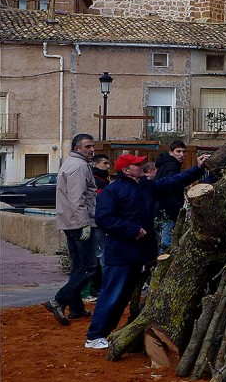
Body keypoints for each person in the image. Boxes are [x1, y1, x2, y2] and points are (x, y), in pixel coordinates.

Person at [84, 150, 209, 350]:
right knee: (112, 294)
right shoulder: (113, 190)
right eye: (137, 165)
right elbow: (104, 219)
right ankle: (95, 335)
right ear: (126, 170)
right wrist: (132, 230)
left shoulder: (145, 186)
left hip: (140, 252)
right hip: (121, 253)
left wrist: (198, 169)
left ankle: (104, 333)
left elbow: (173, 182)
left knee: (123, 296)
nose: (141, 166)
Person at [44, 133, 98, 325]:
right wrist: (85, 223)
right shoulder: (79, 166)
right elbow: (78, 199)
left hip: (69, 222)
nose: (92, 150)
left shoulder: (71, 164)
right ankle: (58, 300)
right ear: (77, 148)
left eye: (92, 146)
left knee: (77, 266)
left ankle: (76, 308)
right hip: (79, 223)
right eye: (87, 147)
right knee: (88, 268)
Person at [80, 154, 111, 300]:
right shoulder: (98, 182)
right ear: (96, 164)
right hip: (97, 222)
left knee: (98, 257)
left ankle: (94, 288)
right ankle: (91, 290)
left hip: (98, 222)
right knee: (99, 256)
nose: (107, 166)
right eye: (105, 163)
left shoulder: (102, 180)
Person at [153, 140, 186, 252]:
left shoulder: (166, 165)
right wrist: (177, 207)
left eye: (183, 152)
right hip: (167, 211)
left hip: (161, 209)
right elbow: (168, 190)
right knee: (166, 244)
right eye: (178, 151)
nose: (181, 155)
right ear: (171, 152)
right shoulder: (171, 166)